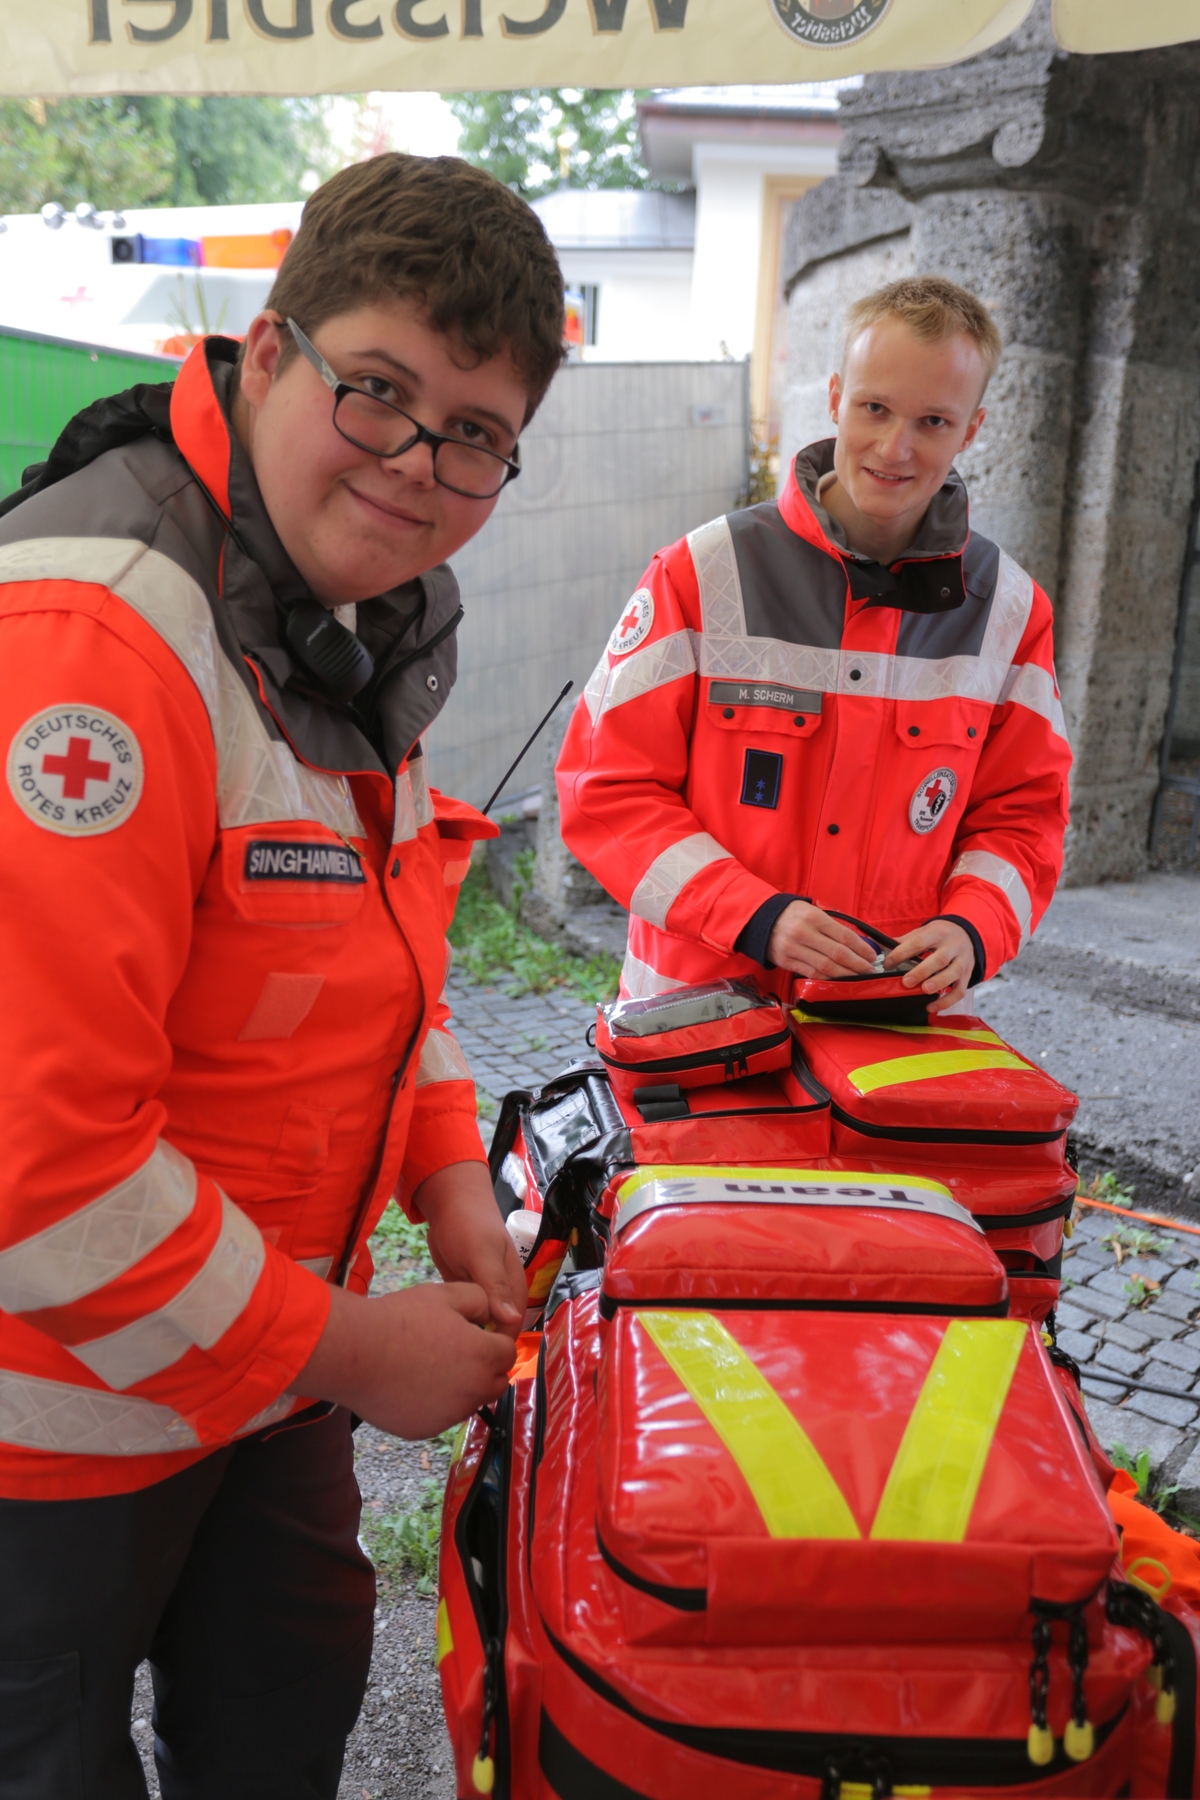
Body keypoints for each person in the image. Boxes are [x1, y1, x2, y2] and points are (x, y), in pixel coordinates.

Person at [0, 152, 562, 1797]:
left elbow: (385, 966)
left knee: (285, 1714)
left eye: (474, 432)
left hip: (258, 1373)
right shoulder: (97, 640)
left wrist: (454, 1177)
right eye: (376, 390)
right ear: (267, 350)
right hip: (54, 1427)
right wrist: (350, 1350)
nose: (415, 464)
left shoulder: (346, 615)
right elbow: (39, 1172)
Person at [557, 275, 1071, 1013]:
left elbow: (1024, 816)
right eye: (875, 409)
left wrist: (973, 926)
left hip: (886, 1028)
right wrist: (753, 915)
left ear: (972, 430)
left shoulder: (1012, 613)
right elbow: (604, 787)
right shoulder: (701, 572)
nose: (896, 447)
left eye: (933, 421)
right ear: (835, 398)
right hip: (702, 1026)